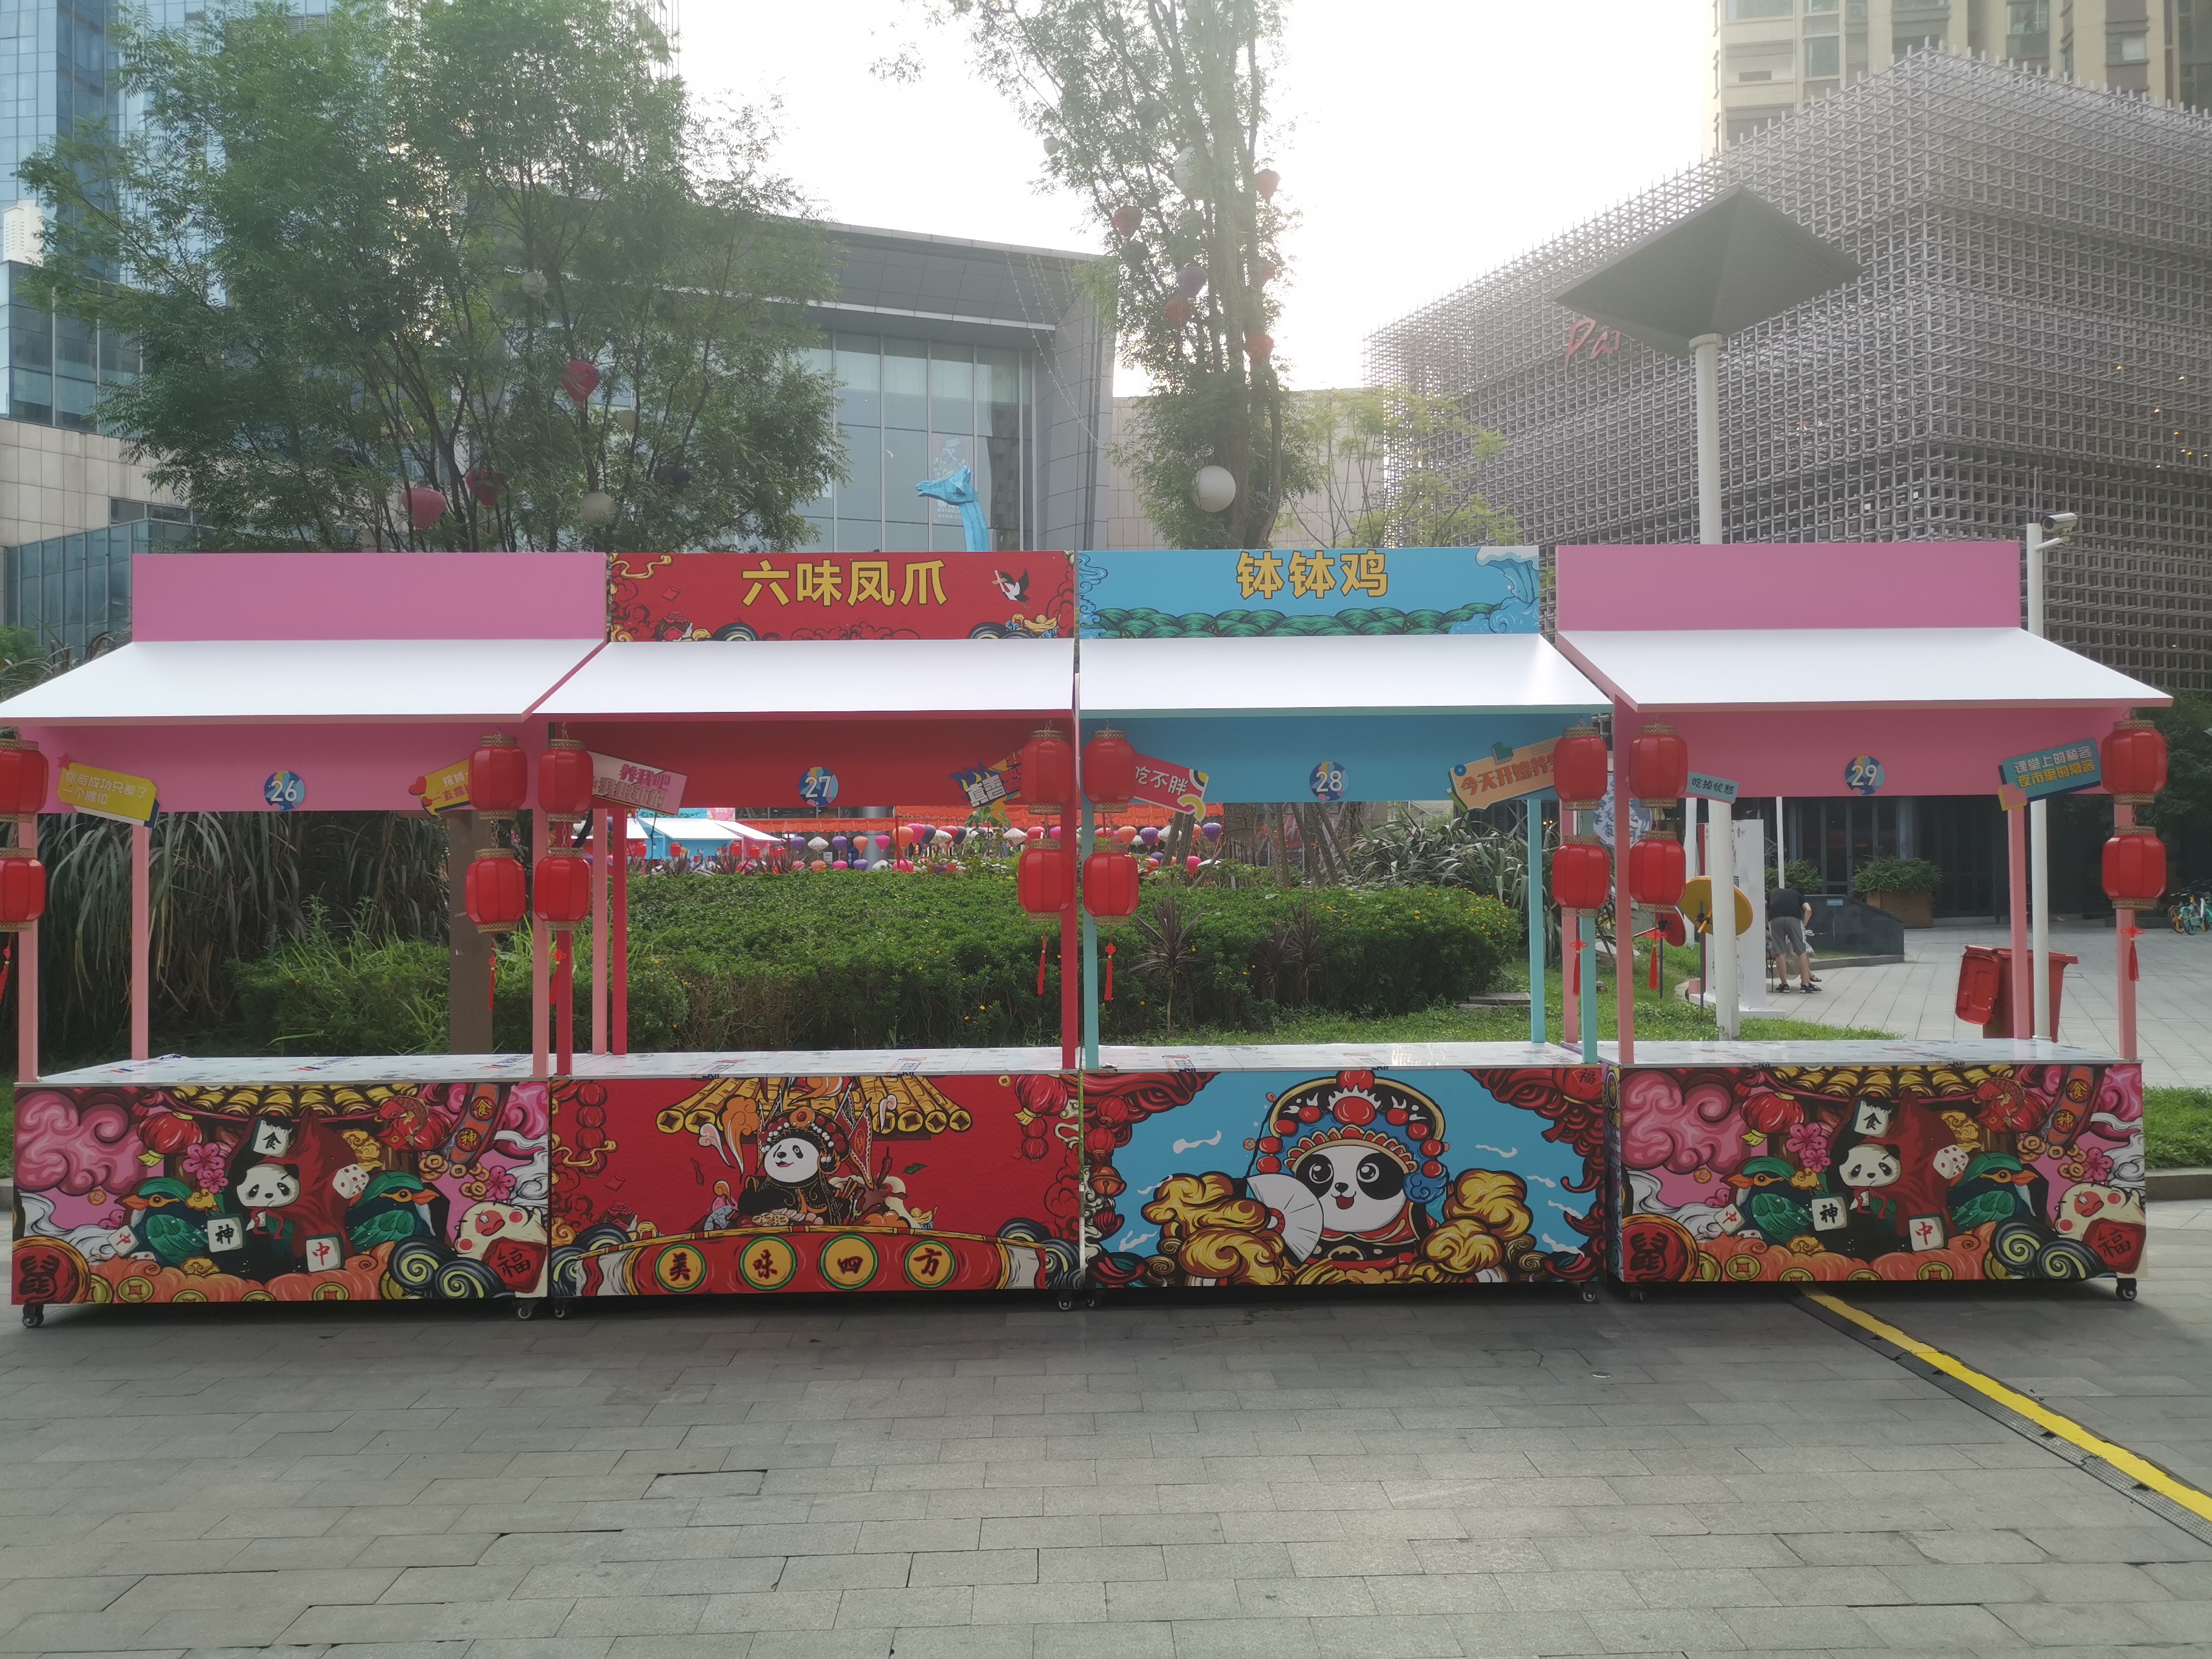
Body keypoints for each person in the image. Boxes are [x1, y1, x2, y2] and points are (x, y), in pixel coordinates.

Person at [1766, 880, 1818, 992]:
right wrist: (1803, 926)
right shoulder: (1797, 894)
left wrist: (1768, 922)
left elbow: (1764, 907)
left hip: (1775, 919)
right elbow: (1808, 910)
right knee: (1801, 952)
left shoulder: (1771, 893)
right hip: (1794, 919)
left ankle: (1784, 985)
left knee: (1779, 953)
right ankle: (1805, 984)